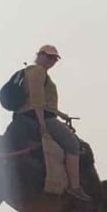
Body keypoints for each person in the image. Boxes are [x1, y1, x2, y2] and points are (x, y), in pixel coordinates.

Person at [9, 44, 90, 202]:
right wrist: (42, 124)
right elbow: (37, 99)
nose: (51, 60)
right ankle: (74, 187)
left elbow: (43, 102)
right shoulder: (38, 71)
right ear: (39, 55)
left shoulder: (30, 72)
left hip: (24, 116)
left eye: (54, 58)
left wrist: (60, 114)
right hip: (39, 117)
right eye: (48, 56)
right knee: (73, 145)